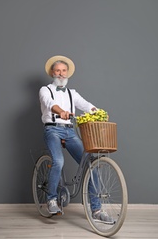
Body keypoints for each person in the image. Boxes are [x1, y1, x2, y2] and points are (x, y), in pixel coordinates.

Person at [39, 55, 114, 224]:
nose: (61, 74)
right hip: (52, 129)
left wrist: (98, 111)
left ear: (68, 74)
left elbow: (86, 104)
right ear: (52, 72)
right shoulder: (45, 89)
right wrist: (61, 112)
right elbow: (50, 103)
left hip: (70, 132)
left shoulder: (72, 93)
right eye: (57, 70)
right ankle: (51, 199)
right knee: (58, 161)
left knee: (91, 164)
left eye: (64, 71)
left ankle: (96, 210)